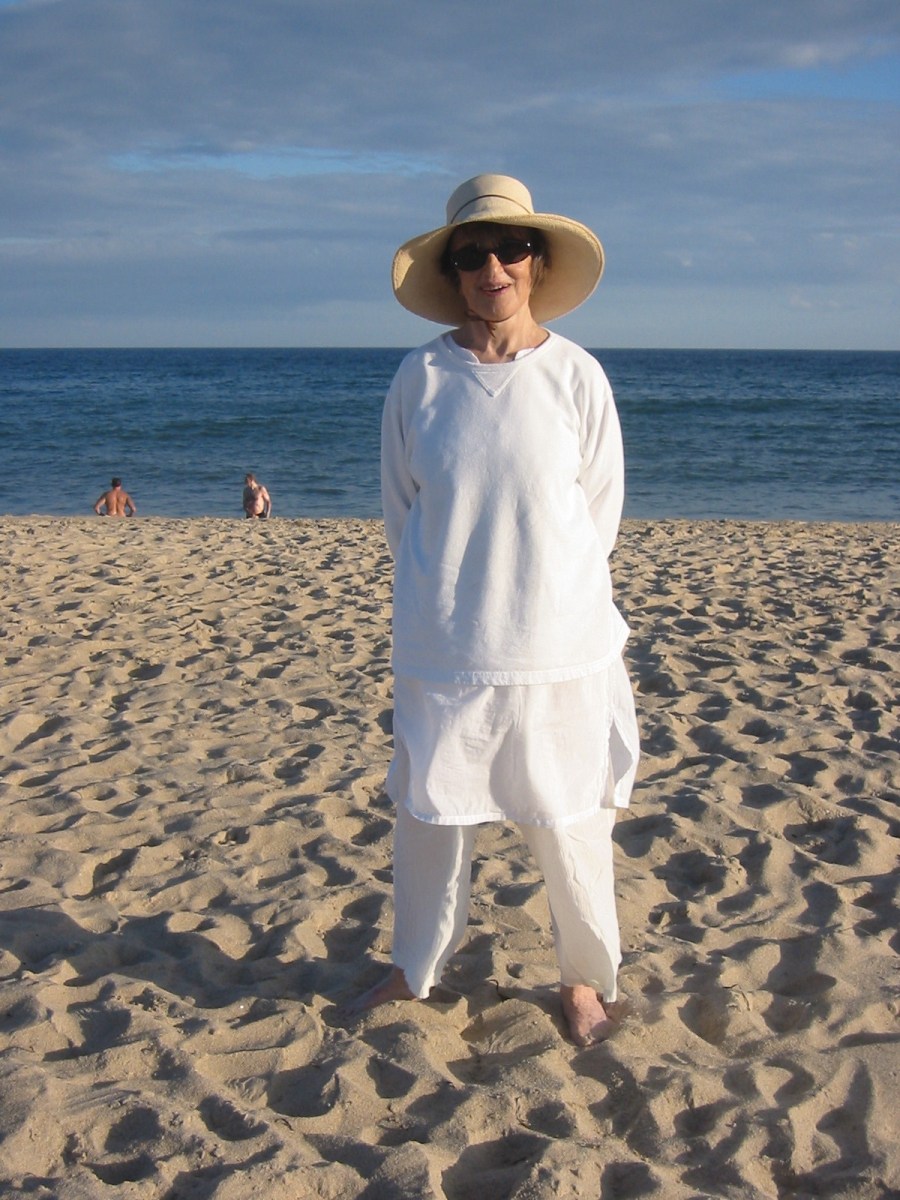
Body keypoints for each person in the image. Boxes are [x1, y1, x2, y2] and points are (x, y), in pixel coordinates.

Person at [350, 175, 640, 1046]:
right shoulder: (420, 377)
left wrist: (541, 591)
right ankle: (415, 967)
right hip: (445, 643)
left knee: (572, 821)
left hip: (559, 643)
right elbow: (404, 511)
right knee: (429, 818)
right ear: (453, 272)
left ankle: (584, 980)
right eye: (472, 254)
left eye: (510, 249)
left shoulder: (576, 375)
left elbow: (599, 514)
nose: (493, 268)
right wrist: (452, 594)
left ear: (537, 262)